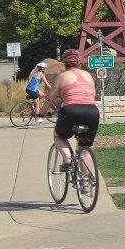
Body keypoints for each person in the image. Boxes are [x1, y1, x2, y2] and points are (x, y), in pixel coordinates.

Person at [42, 49, 99, 192]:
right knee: (86, 148)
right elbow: (93, 94)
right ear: (79, 63)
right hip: (91, 112)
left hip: (71, 110)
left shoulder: (62, 76)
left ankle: (67, 159)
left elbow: (51, 97)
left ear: (64, 63)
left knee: (59, 135)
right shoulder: (88, 76)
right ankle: (85, 184)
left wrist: (41, 112)